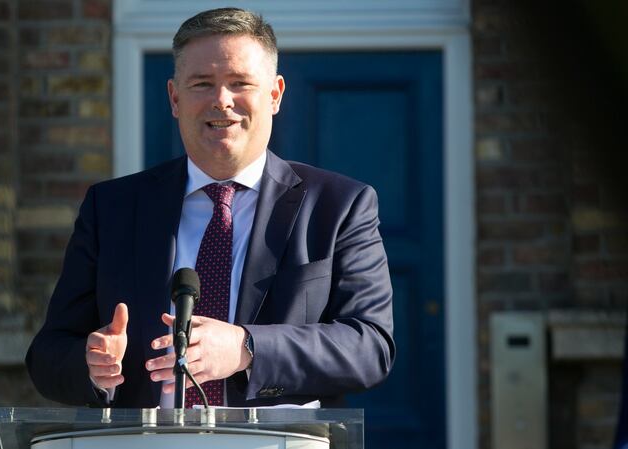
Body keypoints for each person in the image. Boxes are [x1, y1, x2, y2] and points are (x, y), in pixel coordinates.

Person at [26, 7, 394, 408]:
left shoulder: (338, 206)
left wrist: (247, 346)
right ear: (174, 97)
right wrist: (90, 364)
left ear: (274, 95)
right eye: (202, 83)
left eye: (240, 83)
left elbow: (369, 346)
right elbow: (48, 354)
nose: (222, 100)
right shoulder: (112, 208)